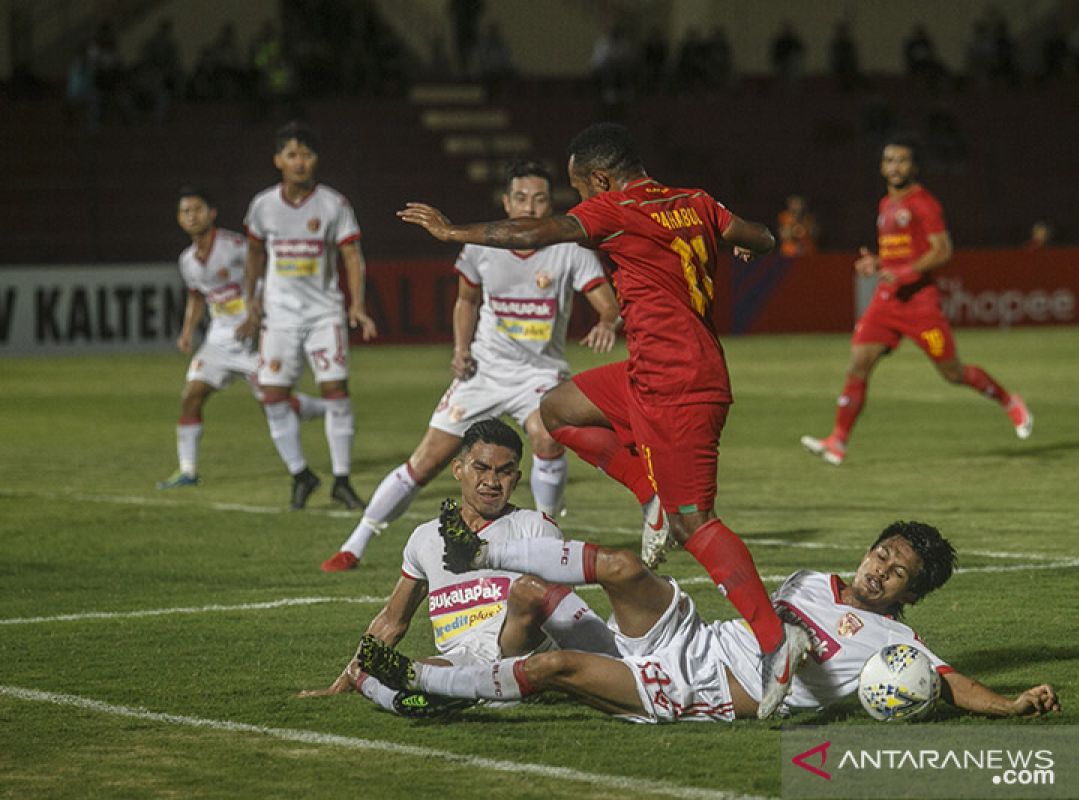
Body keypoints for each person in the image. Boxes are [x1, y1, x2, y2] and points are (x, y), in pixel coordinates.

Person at [399, 122, 806, 720]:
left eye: (577, 189)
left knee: (698, 524)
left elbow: (535, 231)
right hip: (647, 372)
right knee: (557, 410)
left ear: (599, 178)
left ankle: (776, 643)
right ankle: (651, 494)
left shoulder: (616, 208)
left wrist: (451, 230)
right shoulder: (694, 201)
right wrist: (747, 245)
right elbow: (763, 235)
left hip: (678, 388)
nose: (578, 202)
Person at [354, 517, 1061, 723]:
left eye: (897, 571)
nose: (879, 569)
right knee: (625, 568)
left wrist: (1009, 702)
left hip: (703, 691)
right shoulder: (813, 579)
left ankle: (416, 682)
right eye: (882, 553)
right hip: (692, 636)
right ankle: (488, 549)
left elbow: (949, 681)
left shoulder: (896, 641)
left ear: (910, 594)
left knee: (554, 667)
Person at [320, 160, 620, 572]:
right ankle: (355, 544)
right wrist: (461, 349)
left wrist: (606, 322)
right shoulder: (483, 245)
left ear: (551, 204)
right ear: (506, 201)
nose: (529, 207)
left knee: (546, 438)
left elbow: (607, 304)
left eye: (539, 199)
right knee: (426, 461)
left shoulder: (567, 249)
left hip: (540, 374)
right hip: (485, 370)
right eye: (521, 197)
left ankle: (551, 537)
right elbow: (466, 301)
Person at [301, 419, 617, 710]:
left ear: (517, 478)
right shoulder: (425, 538)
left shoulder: (535, 527)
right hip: (461, 661)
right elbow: (392, 621)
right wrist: (342, 682)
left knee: (527, 593)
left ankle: (509, 683)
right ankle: (427, 691)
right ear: (458, 469)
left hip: (519, 653)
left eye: (504, 472)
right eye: (481, 468)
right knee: (393, 670)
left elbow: (559, 612)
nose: (492, 481)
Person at [801, 136, 1033, 466]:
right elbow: (899, 254)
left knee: (952, 373)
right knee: (858, 364)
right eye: (890, 161)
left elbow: (943, 250)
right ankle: (838, 441)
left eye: (902, 161)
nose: (896, 167)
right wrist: (878, 264)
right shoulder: (885, 205)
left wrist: (905, 271)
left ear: (914, 166)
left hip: (920, 304)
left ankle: (1009, 400)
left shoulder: (924, 203)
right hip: (887, 300)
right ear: (882, 167)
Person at [236, 121, 377, 510]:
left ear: (316, 160)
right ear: (278, 160)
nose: (300, 163)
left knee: (336, 391)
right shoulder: (263, 205)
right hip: (279, 315)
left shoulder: (333, 204)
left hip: (323, 314)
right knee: (273, 394)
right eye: (292, 155)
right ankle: (301, 473)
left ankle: (342, 479)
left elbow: (352, 256)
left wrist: (357, 304)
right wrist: (252, 302)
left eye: (307, 155)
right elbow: (253, 255)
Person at [157, 186, 326, 489]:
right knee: (191, 396)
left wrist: (254, 315)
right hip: (219, 342)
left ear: (212, 213)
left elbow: (267, 279)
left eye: (197, 209)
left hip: (254, 338)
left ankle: (322, 410)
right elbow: (197, 296)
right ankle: (188, 470)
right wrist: (186, 332)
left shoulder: (235, 246)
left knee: (273, 405)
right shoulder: (188, 261)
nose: (192, 216)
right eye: (185, 211)